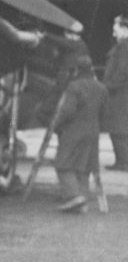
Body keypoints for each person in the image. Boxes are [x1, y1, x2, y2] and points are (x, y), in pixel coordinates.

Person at [53, 53, 107, 212]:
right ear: (91, 69)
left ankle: (74, 196)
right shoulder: (102, 88)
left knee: (63, 164)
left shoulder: (74, 87)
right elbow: (104, 112)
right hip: (93, 131)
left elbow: (67, 111)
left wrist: (55, 125)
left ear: (75, 70)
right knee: (83, 166)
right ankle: (82, 202)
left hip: (73, 130)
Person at [102, 14, 128, 171]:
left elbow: (121, 72)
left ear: (125, 29)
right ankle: (122, 161)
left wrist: (107, 86)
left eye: (115, 30)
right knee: (119, 128)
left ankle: (123, 162)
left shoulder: (124, 47)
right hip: (120, 93)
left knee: (118, 128)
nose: (113, 34)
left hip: (120, 94)